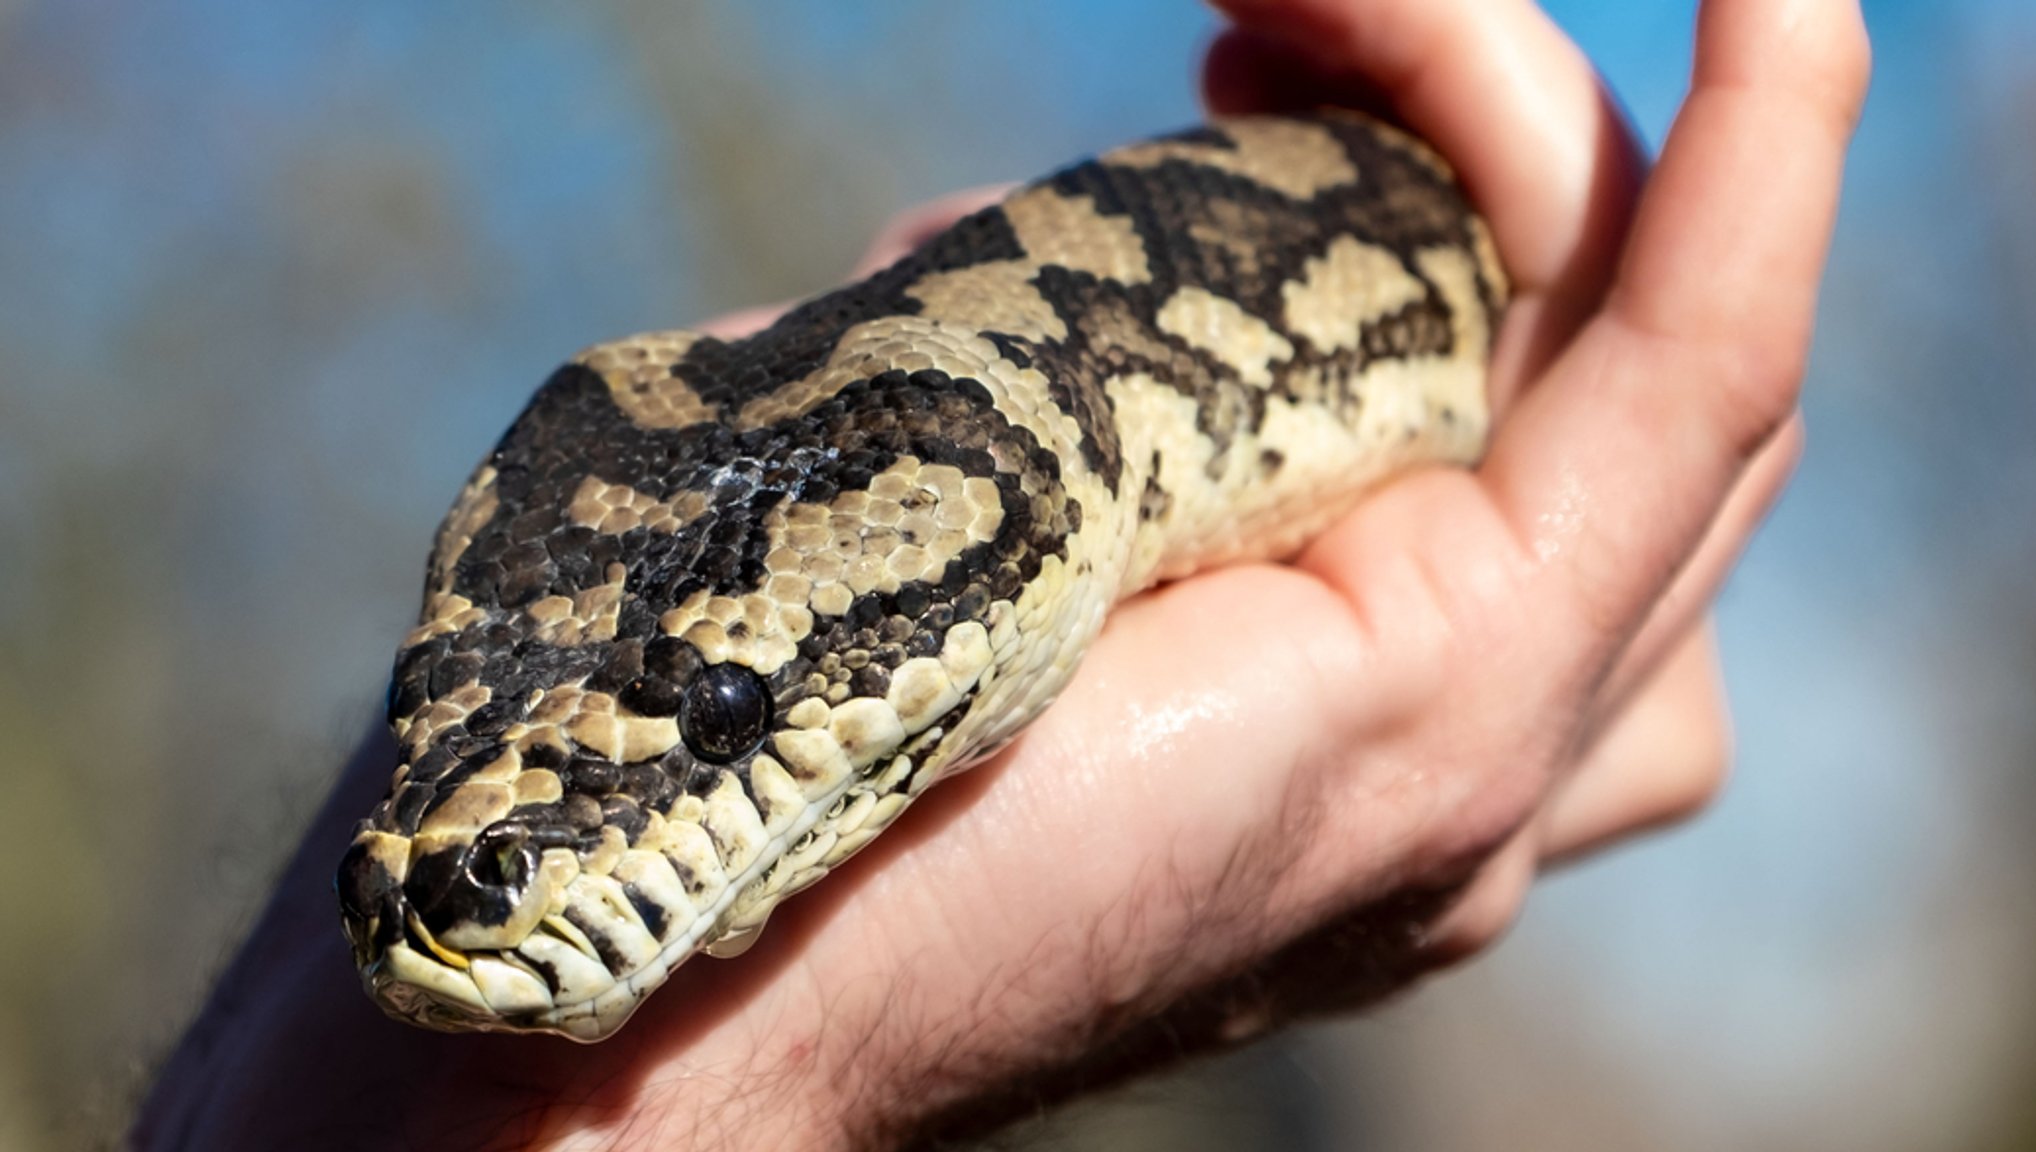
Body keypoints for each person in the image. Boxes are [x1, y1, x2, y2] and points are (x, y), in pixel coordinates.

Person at [132, 0, 1869, 1146]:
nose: (449, 875)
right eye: (435, 689)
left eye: (728, 708)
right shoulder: (959, 452)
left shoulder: (1008, 440)